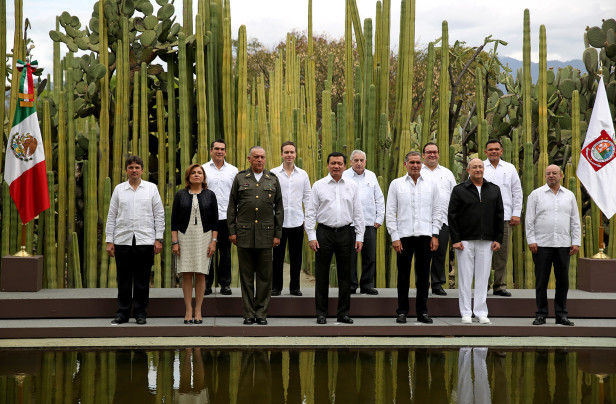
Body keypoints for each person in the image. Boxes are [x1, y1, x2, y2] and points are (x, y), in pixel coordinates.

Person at [305, 152, 364, 325]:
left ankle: (343, 313)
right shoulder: (318, 186)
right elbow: (310, 212)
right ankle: (321, 313)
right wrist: (311, 235)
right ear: (328, 165)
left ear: (345, 166)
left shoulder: (352, 185)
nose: (336, 166)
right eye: (333, 163)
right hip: (324, 233)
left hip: (346, 232)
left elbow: (358, 212)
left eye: (339, 163)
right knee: (322, 275)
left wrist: (359, 236)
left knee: (345, 275)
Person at [106, 156, 165, 325]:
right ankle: (123, 313)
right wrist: (109, 241)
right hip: (123, 240)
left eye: (137, 167)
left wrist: (158, 238)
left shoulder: (151, 189)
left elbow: (159, 215)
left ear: (142, 170)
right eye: (131, 167)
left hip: (145, 240)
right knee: (123, 280)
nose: (134, 170)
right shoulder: (119, 189)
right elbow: (112, 215)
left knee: (142, 280)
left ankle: (140, 313)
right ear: (126, 170)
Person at [227, 146, 283, 325]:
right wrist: (232, 231)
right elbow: (231, 206)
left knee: (265, 277)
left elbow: (279, 209)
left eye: (262, 157)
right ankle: (248, 314)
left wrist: (277, 233)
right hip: (244, 234)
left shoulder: (272, 179)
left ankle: (261, 314)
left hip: (266, 235)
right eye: (256, 157)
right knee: (246, 277)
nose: (259, 160)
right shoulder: (240, 178)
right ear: (249, 159)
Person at [386, 151, 441, 324]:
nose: (415, 165)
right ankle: (402, 311)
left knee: (423, 277)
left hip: (425, 235)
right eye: (412, 162)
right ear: (405, 164)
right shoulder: (396, 185)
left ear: (421, 164)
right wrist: (394, 237)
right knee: (403, 276)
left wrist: (435, 234)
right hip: (404, 237)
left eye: (418, 162)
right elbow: (390, 213)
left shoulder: (431, 185)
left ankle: (422, 312)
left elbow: (437, 211)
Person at [448, 158, 504, 325]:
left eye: (480, 166)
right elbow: (452, 216)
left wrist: (498, 238)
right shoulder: (459, 190)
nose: (478, 169)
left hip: (486, 240)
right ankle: (465, 312)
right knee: (465, 278)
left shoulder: (494, 189)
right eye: (474, 167)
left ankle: (481, 312)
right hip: (465, 240)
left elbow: (499, 216)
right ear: (468, 170)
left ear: (483, 169)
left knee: (483, 277)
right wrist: (456, 239)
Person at [526, 165, 581, 326]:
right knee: (541, 281)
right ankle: (541, 314)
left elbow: (575, 221)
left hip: (563, 244)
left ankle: (561, 314)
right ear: (545, 176)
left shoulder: (569, 196)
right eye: (548, 173)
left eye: (554, 173)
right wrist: (531, 240)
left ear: (561, 175)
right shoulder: (536, 195)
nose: (551, 176)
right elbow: (529, 219)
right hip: (541, 244)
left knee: (563, 281)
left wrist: (576, 241)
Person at [171, 164, 219, 324]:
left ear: (204, 177)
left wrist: (213, 241)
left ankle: (198, 310)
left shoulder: (210, 195)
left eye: (200, 172)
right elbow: (174, 221)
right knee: (186, 273)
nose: (197, 175)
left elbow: (214, 221)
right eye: (193, 172)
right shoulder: (180, 195)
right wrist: (175, 242)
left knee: (200, 273)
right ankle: (188, 310)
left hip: (204, 236)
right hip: (185, 236)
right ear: (188, 176)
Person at [271, 141, 311, 297]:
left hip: (296, 221)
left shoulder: (303, 174)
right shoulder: (273, 173)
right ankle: (276, 287)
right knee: (277, 257)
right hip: (278, 222)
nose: (289, 155)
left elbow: (307, 198)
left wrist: (307, 219)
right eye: (286, 152)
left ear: (295, 154)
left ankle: (295, 287)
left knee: (296, 256)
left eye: (292, 152)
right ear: (281, 154)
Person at [483, 139, 523, 296]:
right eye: (490, 149)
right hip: (483, 218)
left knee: (502, 253)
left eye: (496, 149)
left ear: (502, 151)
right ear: (486, 152)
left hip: (505, 217)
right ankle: (483, 285)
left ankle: (499, 285)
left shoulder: (509, 168)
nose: (493, 151)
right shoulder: (480, 166)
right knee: (483, 253)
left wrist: (516, 213)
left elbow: (517, 192)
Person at [342, 150, 385, 295]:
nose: (359, 163)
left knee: (369, 256)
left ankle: (367, 285)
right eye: (356, 160)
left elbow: (379, 198)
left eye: (361, 160)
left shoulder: (371, 176)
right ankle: (351, 285)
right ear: (351, 162)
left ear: (365, 161)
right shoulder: (344, 176)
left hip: (369, 223)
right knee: (350, 257)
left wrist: (379, 219)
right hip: (350, 224)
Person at [202, 139, 238, 296]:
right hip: (206, 217)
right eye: (216, 148)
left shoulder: (233, 171)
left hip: (226, 217)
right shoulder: (202, 169)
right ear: (211, 151)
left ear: (225, 152)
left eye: (222, 149)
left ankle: (225, 284)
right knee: (207, 251)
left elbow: (237, 195)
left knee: (225, 252)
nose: (219, 151)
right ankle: (207, 284)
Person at [420, 142, 456, 296]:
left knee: (440, 254)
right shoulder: (417, 171)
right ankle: (422, 284)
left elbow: (455, 196)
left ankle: (437, 284)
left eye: (435, 152)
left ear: (439, 154)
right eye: (429, 152)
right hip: (422, 220)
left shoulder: (447, 173)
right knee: (423, 254)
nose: (432, 155)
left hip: (443, 220)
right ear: (423, 155)